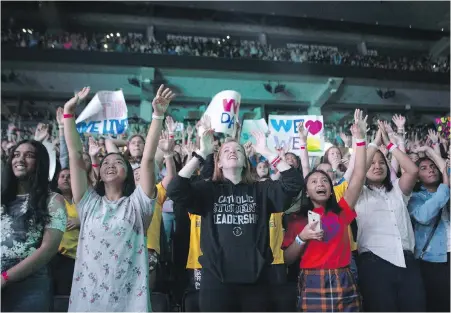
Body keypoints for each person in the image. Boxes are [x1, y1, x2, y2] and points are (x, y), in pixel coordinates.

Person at [167, 125, 303, 312]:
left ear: (246, 162)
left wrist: (267, 152)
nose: (233, 152)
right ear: (219, 163)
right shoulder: (207, 190)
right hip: (215, 282)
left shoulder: (261, 190)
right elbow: (175, 189)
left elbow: (294, 183)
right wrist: (201, 153)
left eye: (238, 150)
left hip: (257, 280)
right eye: (226, 150)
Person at [63, 85, 175, 312]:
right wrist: (68, 115)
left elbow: (147, 159)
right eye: (105, 163)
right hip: (89, 300)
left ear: (127, 174)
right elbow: (75, 155)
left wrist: (157, 116)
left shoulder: (138, 205)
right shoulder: (88, 203)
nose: (110, 165)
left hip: (128, 301)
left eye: (118, 162)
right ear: (99, 173)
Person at [282, 111, 367, 312]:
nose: (320, 183)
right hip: (312, 279)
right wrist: (302, 237)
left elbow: (360, 174)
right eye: (314, 181)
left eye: (325, 181)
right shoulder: (297, 219)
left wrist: (361, 139)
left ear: (330, 190)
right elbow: (287, 259)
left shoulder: (342, 211)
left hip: (344, 277)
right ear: (306, 191)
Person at [355, 121, 425, 312]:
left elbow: (412, 170)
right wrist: (374, 144)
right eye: (372, 163)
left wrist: (390, 144)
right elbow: (358, 172)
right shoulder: (358, 193)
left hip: (407, 261)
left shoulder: (397, 191)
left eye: (381, 162)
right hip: (375, 263)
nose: (377, 166)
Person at [1, 140, 67, 312]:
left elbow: (48, 249)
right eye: (16, 155)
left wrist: (5, 278)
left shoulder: (53, 200)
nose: (20, 159)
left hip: (30, 289)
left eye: (29, 155)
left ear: (40, 163)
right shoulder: (3, 199)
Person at [408, 149, 450, 312]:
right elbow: (424, 216)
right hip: (433, 259)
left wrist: (432, 151)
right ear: (417, 176)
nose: (430, 169)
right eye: (423, 168)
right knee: (438, 304)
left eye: (433, 166)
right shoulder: (415, 197)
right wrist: (445, 186)